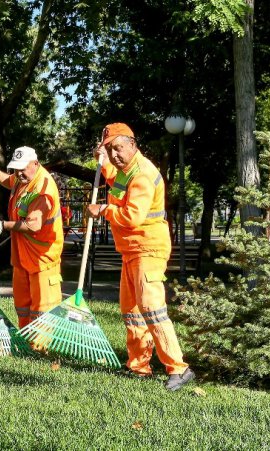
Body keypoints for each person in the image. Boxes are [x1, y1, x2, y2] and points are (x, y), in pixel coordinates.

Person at [87, 123, 194, 391]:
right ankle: (139, 365)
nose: (114, 155)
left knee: (151, 308)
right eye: (109, 149)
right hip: (132, 251)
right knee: (131, 311)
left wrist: (103, 210)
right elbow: (113, 177)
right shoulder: (125, 170)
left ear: (132, 144)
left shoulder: (143, 174)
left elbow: (132, 217)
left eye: (118, 148)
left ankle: (179, 368)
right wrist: (98, 159)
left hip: (149, 249)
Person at [0, 146, 64, 328]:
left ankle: (40, 348)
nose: (18, 174)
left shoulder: (43, 189)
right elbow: (9, 181)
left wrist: (3, 225)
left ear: (35, 163)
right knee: (23, 306)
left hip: (43, 258)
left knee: (43, 308)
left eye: (22, 169)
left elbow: (33, 225)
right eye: (16, 169)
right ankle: (25, 340)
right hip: (23, 255)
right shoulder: (23, 179)